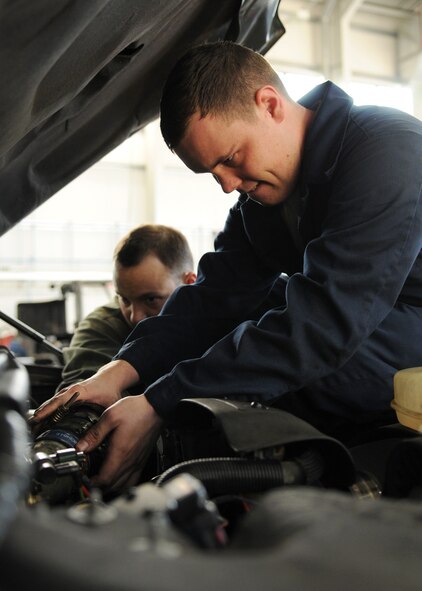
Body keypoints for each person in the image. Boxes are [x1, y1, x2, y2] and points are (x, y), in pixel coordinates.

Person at [33, 41, 422, 493]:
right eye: (213, 174)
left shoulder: (384, 152)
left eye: (231, 159)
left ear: (270, 105)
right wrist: (122, 370)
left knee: (287, 343)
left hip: (405, 334)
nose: (228, 186)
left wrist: (161, 403)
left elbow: (324, 325)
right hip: (370, 325)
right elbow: (213, 299)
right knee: (243, 326)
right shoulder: (263, 197)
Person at [57, 223, 196, 390]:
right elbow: (84, 388)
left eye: (150, 299)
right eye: (125, 299)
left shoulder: (219, 323)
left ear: (189, 283)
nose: (135, 317)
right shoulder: (102, 328)